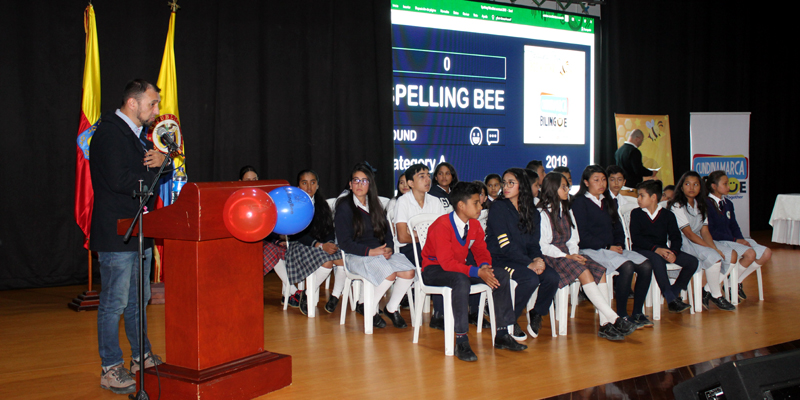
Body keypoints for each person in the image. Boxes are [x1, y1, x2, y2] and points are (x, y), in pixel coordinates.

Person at [90, 79, 166, 394]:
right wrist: (152, 170)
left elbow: (151, 174)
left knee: (140, 298)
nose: (157, 111)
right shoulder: (109, 134)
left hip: (137, 231)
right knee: (115, 302)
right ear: (132, 104)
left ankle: (140, 356)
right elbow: (122, 180)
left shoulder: (137, 137)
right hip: (116, 234)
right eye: (153, 104)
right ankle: (110, 367)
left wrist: (164, 162)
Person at [421, 182, 527, 362]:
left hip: (458, 269)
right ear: (461, 206)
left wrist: (484, 266)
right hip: (434, 270)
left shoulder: (475, 225)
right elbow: (446, 264)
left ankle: (502, 333)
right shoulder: (442, 225)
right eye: (476, 203)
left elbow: (481, 251)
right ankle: (461, 340)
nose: (481, 206)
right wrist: (478, 272)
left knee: (500, 275)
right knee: (461, 280)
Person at [538, 172, 637, 340]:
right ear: (553, 189)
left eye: (567, 186)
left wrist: (574, 254)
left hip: (569, 254)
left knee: (601, 270)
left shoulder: (566, 209)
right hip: (552, 256)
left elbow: (573, 238)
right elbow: (543, 245)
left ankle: (605, 325)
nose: (567, 189)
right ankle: (614, 319)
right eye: (563, 186)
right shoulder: (542, 213)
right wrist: (566, 256)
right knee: (584, 272)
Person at [571, 165, 654, 328]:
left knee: (646, 265)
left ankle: (637, 312)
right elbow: (582, 236)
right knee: (627, 266)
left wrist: (619, 244)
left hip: (611, 248)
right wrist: (608, 246)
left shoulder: (608, 200)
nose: (601, 184)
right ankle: (622, 315)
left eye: (603, 180)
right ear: (586, 183)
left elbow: (618, 227)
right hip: (591, 250)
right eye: (596, 180)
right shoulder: (579, 203)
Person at [334, 162, 415, 328]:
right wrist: (370, 252)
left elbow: (387, 233)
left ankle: (391, 309)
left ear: (370, 184)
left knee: (409, 271)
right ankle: (368, 309)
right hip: (356, 255)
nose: (359, 184)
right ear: (350, 184)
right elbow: (344, 243)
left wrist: (389, 248)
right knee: (389, 274)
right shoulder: (344, 206)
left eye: (364, 181)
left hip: (379, 253)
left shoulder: (376, 204)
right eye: (356, 180)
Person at [486, 168, 559, 340]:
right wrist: (529, 263)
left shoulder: (532, 212)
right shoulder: (498, 207)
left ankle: (537, 312)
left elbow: (534, 243)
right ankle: (508, 319)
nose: (505, 187)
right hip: (501, 261)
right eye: (504, 183)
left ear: (522, 186)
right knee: (530, 278)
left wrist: (538, 259)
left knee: (551, 277)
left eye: (511, 183)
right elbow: (505, 246)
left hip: (524, 260)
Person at [280, 170, 345, 316]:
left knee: (341, 259)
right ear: (298, 186)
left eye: (313, 182)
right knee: (327, 262)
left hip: (321, 245)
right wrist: (320, 245)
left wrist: (328, 242)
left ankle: (335, 296)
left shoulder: (322, 205)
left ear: (317, 185)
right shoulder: (294, 206)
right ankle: (308, 294)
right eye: (304, 183)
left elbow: (329, 229)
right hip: (300, 246)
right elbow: (298, 235)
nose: (309, 187)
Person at [667, 171, 735, 311]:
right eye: (687, 184)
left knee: (727, 254)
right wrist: (711, 249)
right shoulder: (677, 205)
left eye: (696, 184)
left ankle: (708, 290)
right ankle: (717, 295)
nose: (691, 188)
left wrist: (714, 247)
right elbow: (689, 234)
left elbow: (704, 231)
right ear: (681, 187)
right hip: (682, 241)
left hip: (697, 239)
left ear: (701, 187)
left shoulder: (701, 205)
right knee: (714, 257)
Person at [630, 180, 698, 313]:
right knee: (657, 259)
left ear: (653, 197)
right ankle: (671, 298)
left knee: (692, 262)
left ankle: (673, 292)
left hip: (663, 250)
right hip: (643, 250)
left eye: (642, 195)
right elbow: (636, 239)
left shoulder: (668, 215)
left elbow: (676, 237)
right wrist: (656, 249)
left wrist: (674, 252)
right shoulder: (636, 213)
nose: (638, 199)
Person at [704, 170, 772, 301]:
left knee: (766, 253)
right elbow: (711, 231)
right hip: (720, 241)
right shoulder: (706, 204)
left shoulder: (728, 203)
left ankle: (732, 283)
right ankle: (718, 287)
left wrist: (740, 239)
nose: (729, 187)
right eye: (725, 184)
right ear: (714, 186)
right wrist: (736, 240)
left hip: (732, 240)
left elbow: (734, 226)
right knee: (750, 254)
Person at [394, 164, 446, 267]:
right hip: (410, 247)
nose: (427, 180)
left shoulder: (435, 201)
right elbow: (403, 237)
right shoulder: (403, 201)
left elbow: (444, 232)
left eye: (428, 175)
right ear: (411, 183)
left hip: (433, 246)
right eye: (422, 176)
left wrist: (417, 233)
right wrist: (427, 236)